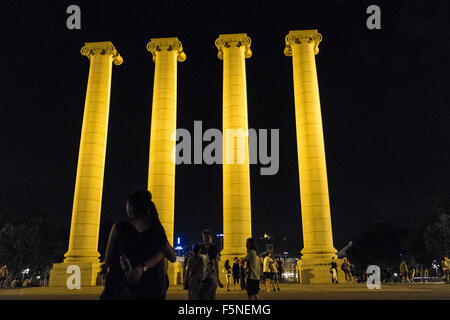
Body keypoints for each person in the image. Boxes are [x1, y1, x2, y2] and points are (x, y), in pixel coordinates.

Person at [101, 189, 177, 300]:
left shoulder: (119, 227)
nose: (126, 207)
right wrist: (143, 267)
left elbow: (107, 260)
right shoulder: (156, 229)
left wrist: (104, 270)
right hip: (150, 289)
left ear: (132, 207)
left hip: (122, 288)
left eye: (127, 204)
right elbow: (173, 256)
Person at [197, 230, 224, 300]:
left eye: (207, 237)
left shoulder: (212, 249)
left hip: (210, 278)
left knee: (200, 296)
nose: (206, 239)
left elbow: (216, 264)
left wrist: (218, 279)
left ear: (211, 238)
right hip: (207, 277)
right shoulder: (206, 249)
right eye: (204, 238)